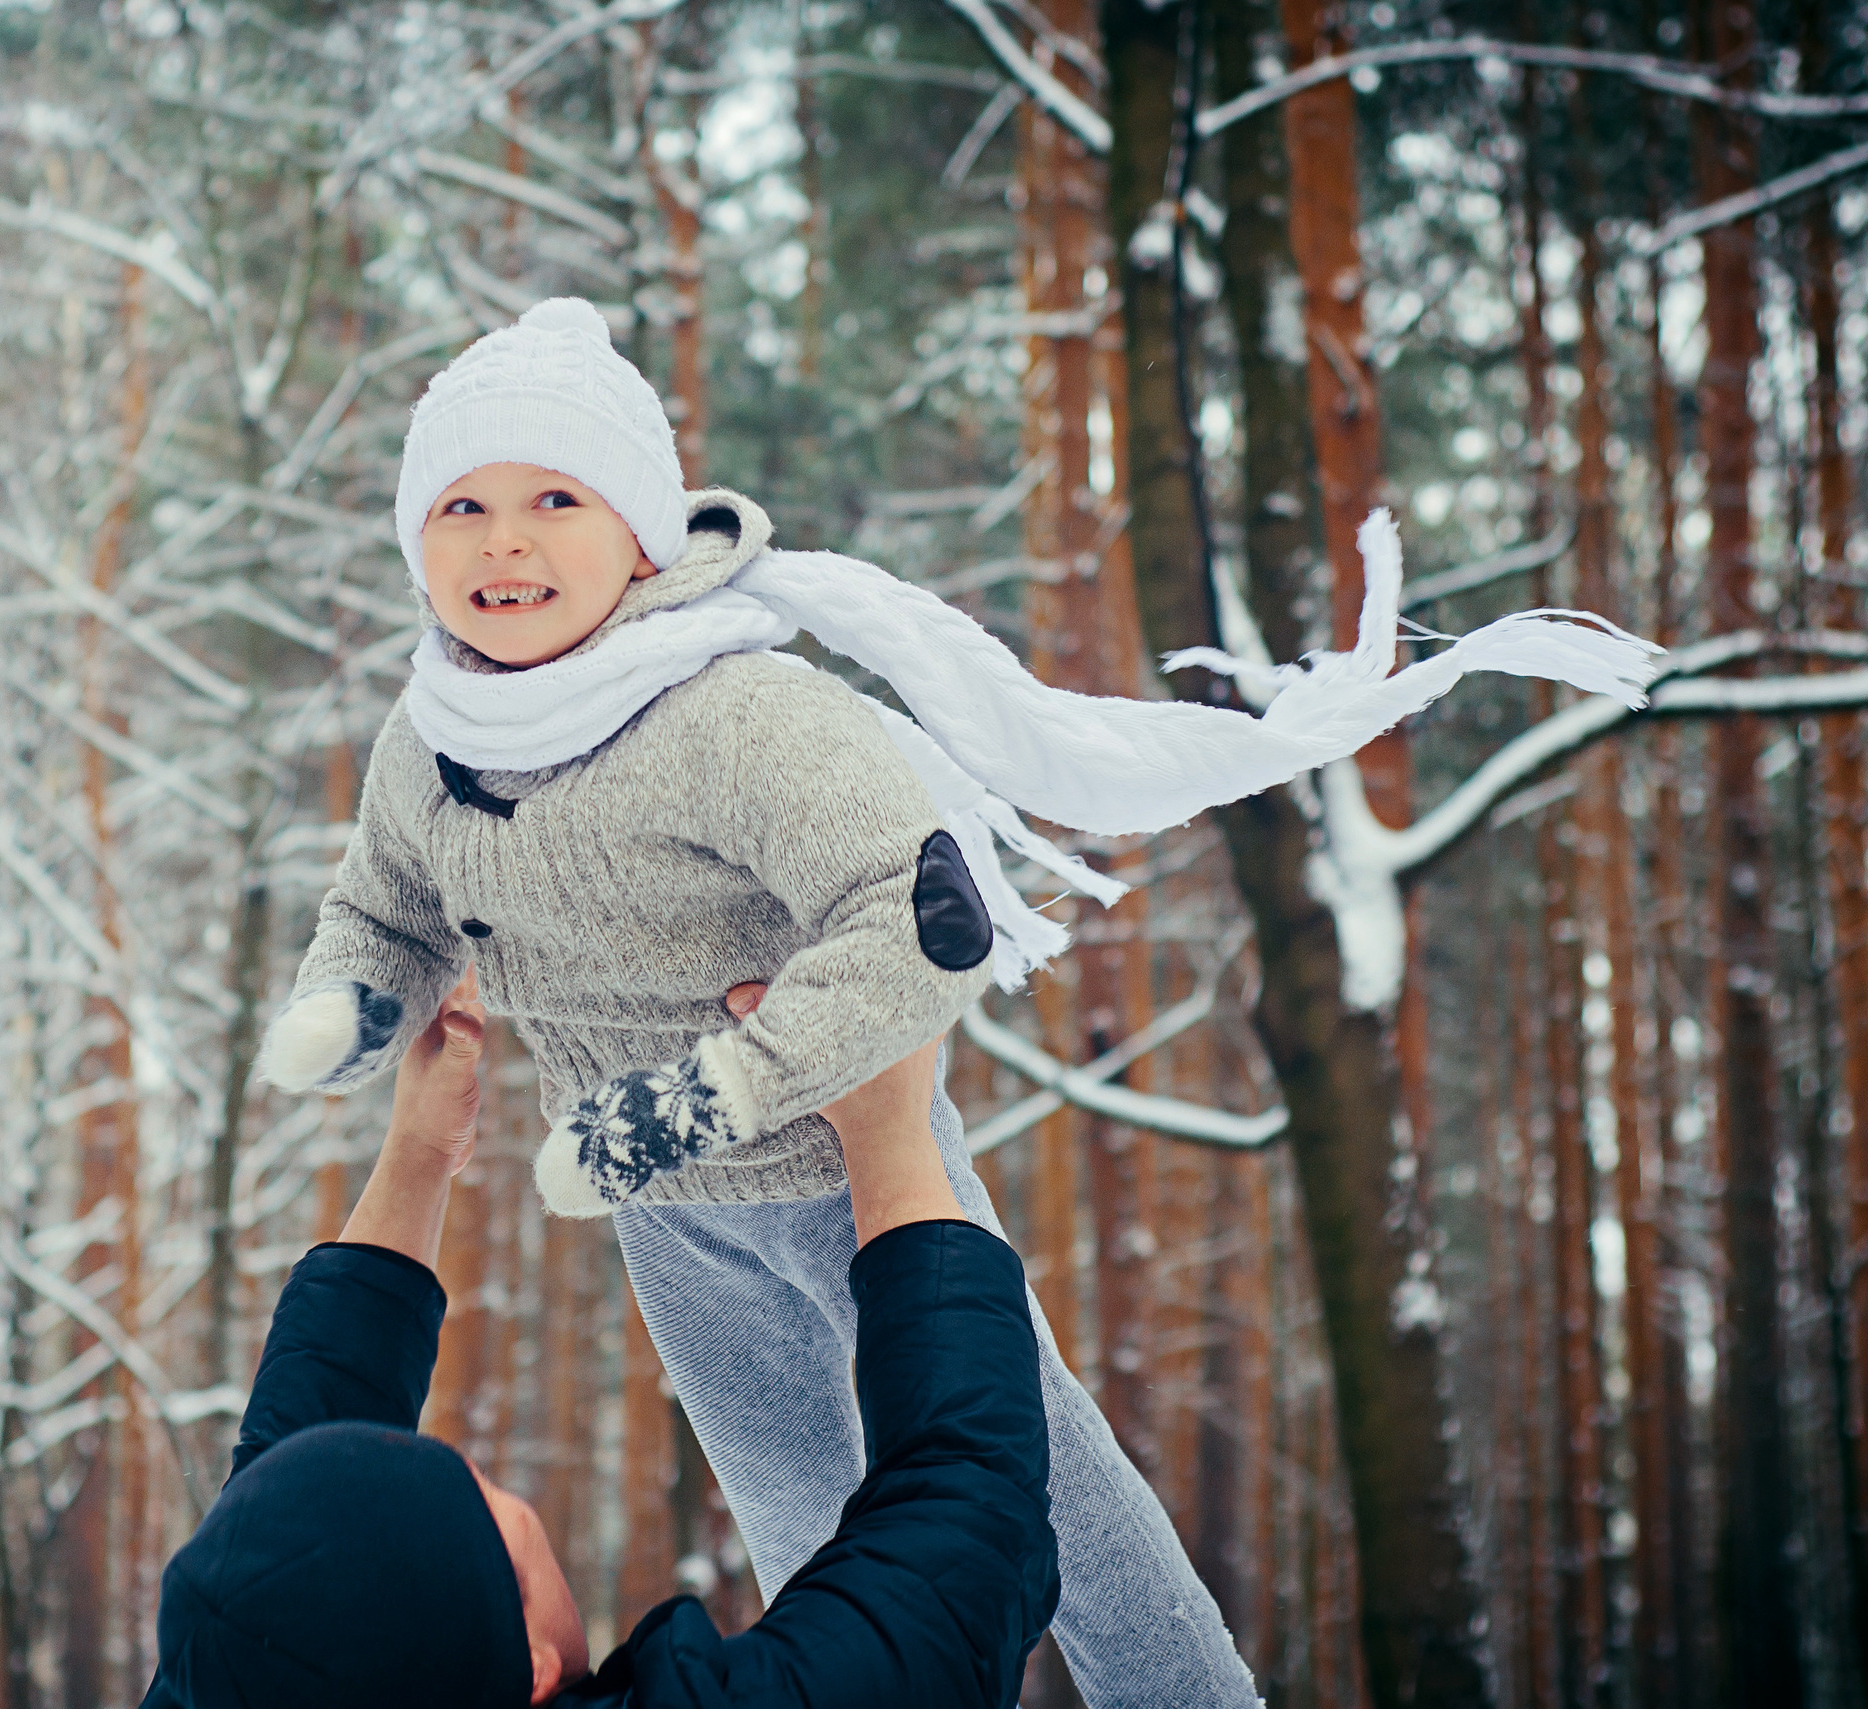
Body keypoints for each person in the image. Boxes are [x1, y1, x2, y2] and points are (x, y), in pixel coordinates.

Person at [256, 298, 1658, 1703]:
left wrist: (732, 1083)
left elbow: (922, 913)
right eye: (460, 506)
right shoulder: (432, 735)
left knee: (1040, 1496)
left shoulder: (729, 711)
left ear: (639, 535)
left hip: (853, 1170)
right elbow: (388, 897)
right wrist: (355, 1001)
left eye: (554, 496)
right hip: (669, 1230)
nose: (503, 539)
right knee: (816, 1541)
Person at [142, 975, 1060, 1708]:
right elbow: (963, 1535)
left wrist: (418, 1151)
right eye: (481, 1492)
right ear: (534, 1661)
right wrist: (888, 1128)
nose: (487, 1477)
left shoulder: (251, 1668)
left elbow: (295, 1546)